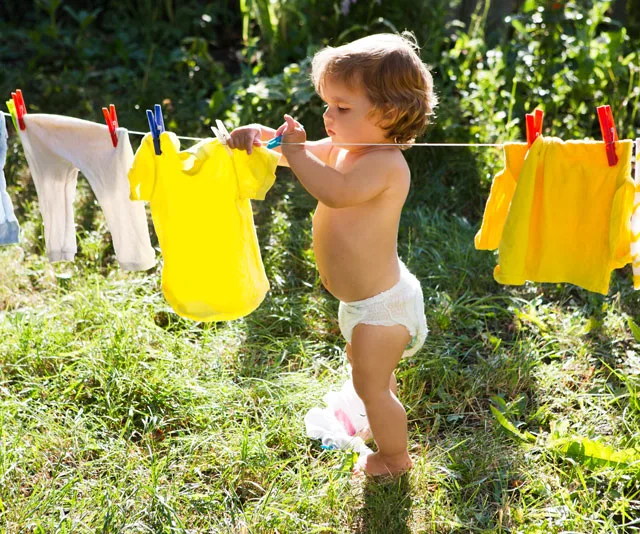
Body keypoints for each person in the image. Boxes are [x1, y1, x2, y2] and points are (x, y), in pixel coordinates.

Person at [228, 32, 437, 478]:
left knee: (371, 385)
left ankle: (395, 459)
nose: (328, 116)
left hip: (385, 307)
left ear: (390, 113)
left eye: (343, 108)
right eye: (327, 104)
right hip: (360, 302)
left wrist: (298, 151)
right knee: (369, 374)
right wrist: (261, 138)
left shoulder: (384, 165)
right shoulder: (348, 147)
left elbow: (334, 191)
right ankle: (377, 417)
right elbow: (290, 157)